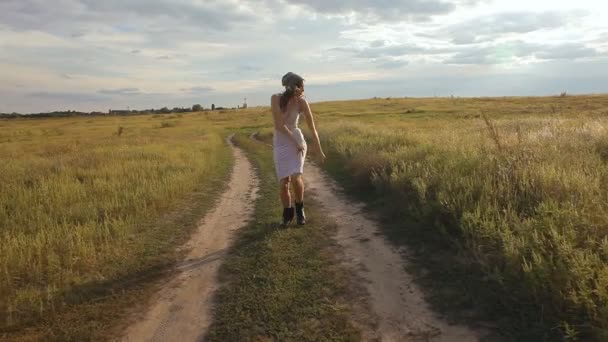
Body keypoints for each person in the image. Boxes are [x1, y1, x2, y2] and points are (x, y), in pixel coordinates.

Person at [271, 72, 326, 226]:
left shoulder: (302, 102)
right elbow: (278, 125)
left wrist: (319, 149)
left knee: (296, 177)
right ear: (293, 86)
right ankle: (287, 213)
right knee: (284, 183)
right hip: (282, 141)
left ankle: (300, 209)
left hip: (297, 139)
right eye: (301, 86)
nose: (303, 90)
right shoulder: (275, 98)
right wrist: (295, 142)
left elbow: (312, 127)